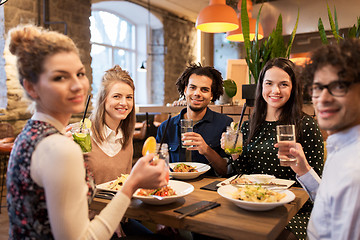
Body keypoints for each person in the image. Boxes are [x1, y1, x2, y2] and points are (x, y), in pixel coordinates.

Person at [6, 24, 168, 239]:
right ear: (31, 87)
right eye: (59, 77)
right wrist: (132, 183)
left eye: (80, 73)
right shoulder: (60, 147)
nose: (77, 85)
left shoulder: (32, 133)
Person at [222, 58, 324, 239]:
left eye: (283, 84)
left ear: (293, 89)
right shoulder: (248, 126)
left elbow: (321, 191)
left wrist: (303, 168)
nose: (275, 91)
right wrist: (235, 153)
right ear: (261, 86)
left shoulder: (306, 125)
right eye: (269, 83)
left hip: (295, 210)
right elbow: (242, 174)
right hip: (253, 201)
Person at [279, 39, 360, 239]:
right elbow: (329, 202)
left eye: (339, 86)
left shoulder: (355, 173)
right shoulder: (340, 147)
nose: (322, 98)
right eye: (317, 87)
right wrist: (304, 170)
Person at [156, 63, 233, 176]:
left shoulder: (225, 124)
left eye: (204, 90)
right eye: (192, 88)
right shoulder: (166, 127)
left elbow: (225, 171)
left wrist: (206, 150)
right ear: (185, 90)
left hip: (207, 190)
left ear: (211, 95)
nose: (197, 93)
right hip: (176, 188)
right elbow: (157, 166)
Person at [85, 65, 135, 185]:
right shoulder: (82, 134)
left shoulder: (126, 138)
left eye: (129, 97)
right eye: (116, 96)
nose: (124, 103)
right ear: (103, 99)